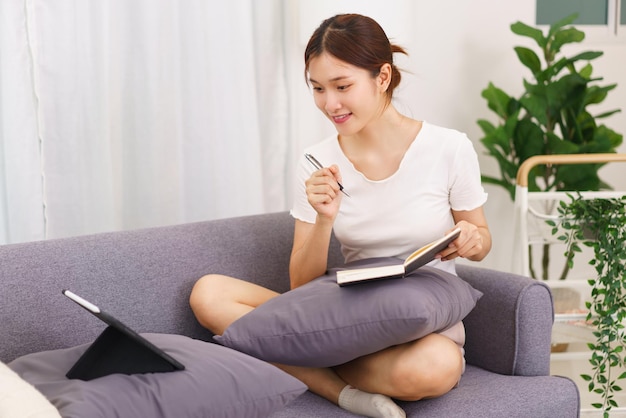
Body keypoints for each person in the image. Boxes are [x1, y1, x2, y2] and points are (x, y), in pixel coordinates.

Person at [190, 13, 491, 418]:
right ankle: (340, 392)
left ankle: (285, 356)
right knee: (209, 294)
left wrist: (472, 239)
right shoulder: (317, 161)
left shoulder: (449, 148)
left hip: (421, 321)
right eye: (317, 89)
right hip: (345, 312)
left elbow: (482, 240)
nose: (330, 104)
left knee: (435, 369)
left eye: (342, 86)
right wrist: (325, 218)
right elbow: (302, 284)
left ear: (382, 77)